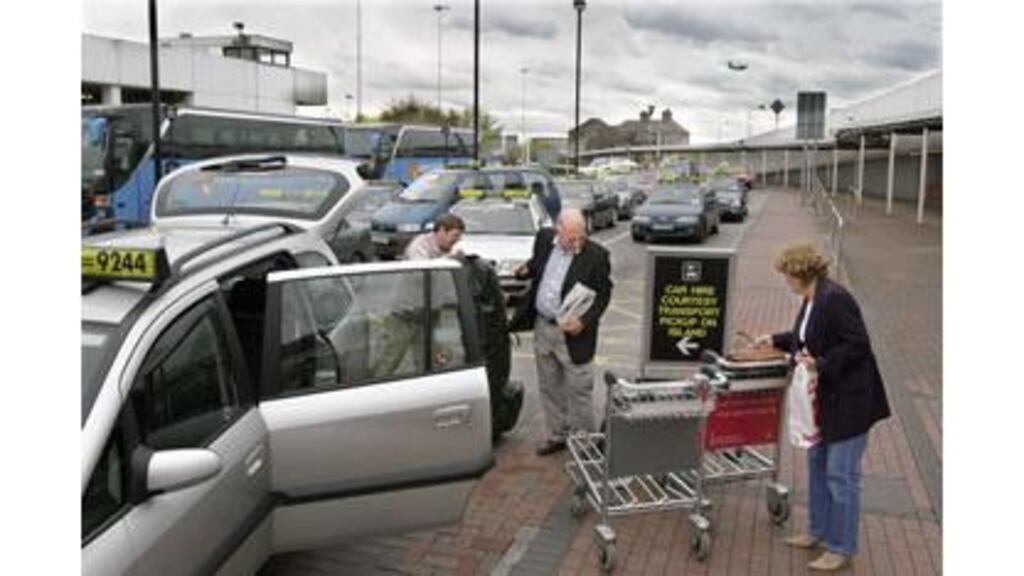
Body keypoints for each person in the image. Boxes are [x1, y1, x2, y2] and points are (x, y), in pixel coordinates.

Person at [755, 243, 891, 572]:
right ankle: (817, 531)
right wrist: (773, 339)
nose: (785, 281)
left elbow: (857, 345)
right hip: (824, 403)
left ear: (801, 273)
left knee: (840, 476)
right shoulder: (812, 299)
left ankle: (841, 547)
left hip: (850, 402)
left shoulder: (835, 299)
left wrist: (822, 363)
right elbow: (805, 337)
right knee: (817, 467)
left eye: (787, 275)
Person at [509, 209, 613, 456]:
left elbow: (604, 295)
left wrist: (584, 321)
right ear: (558, 230)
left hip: (574, 334)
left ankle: (585, 441)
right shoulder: (544, 239)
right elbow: (540, 264)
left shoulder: (597, 255)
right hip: (544, 326)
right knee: (549, 385)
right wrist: (527, 268)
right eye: (571, 239)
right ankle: (558, 434)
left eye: (581, 238)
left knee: (579, 389)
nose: (577, 244)